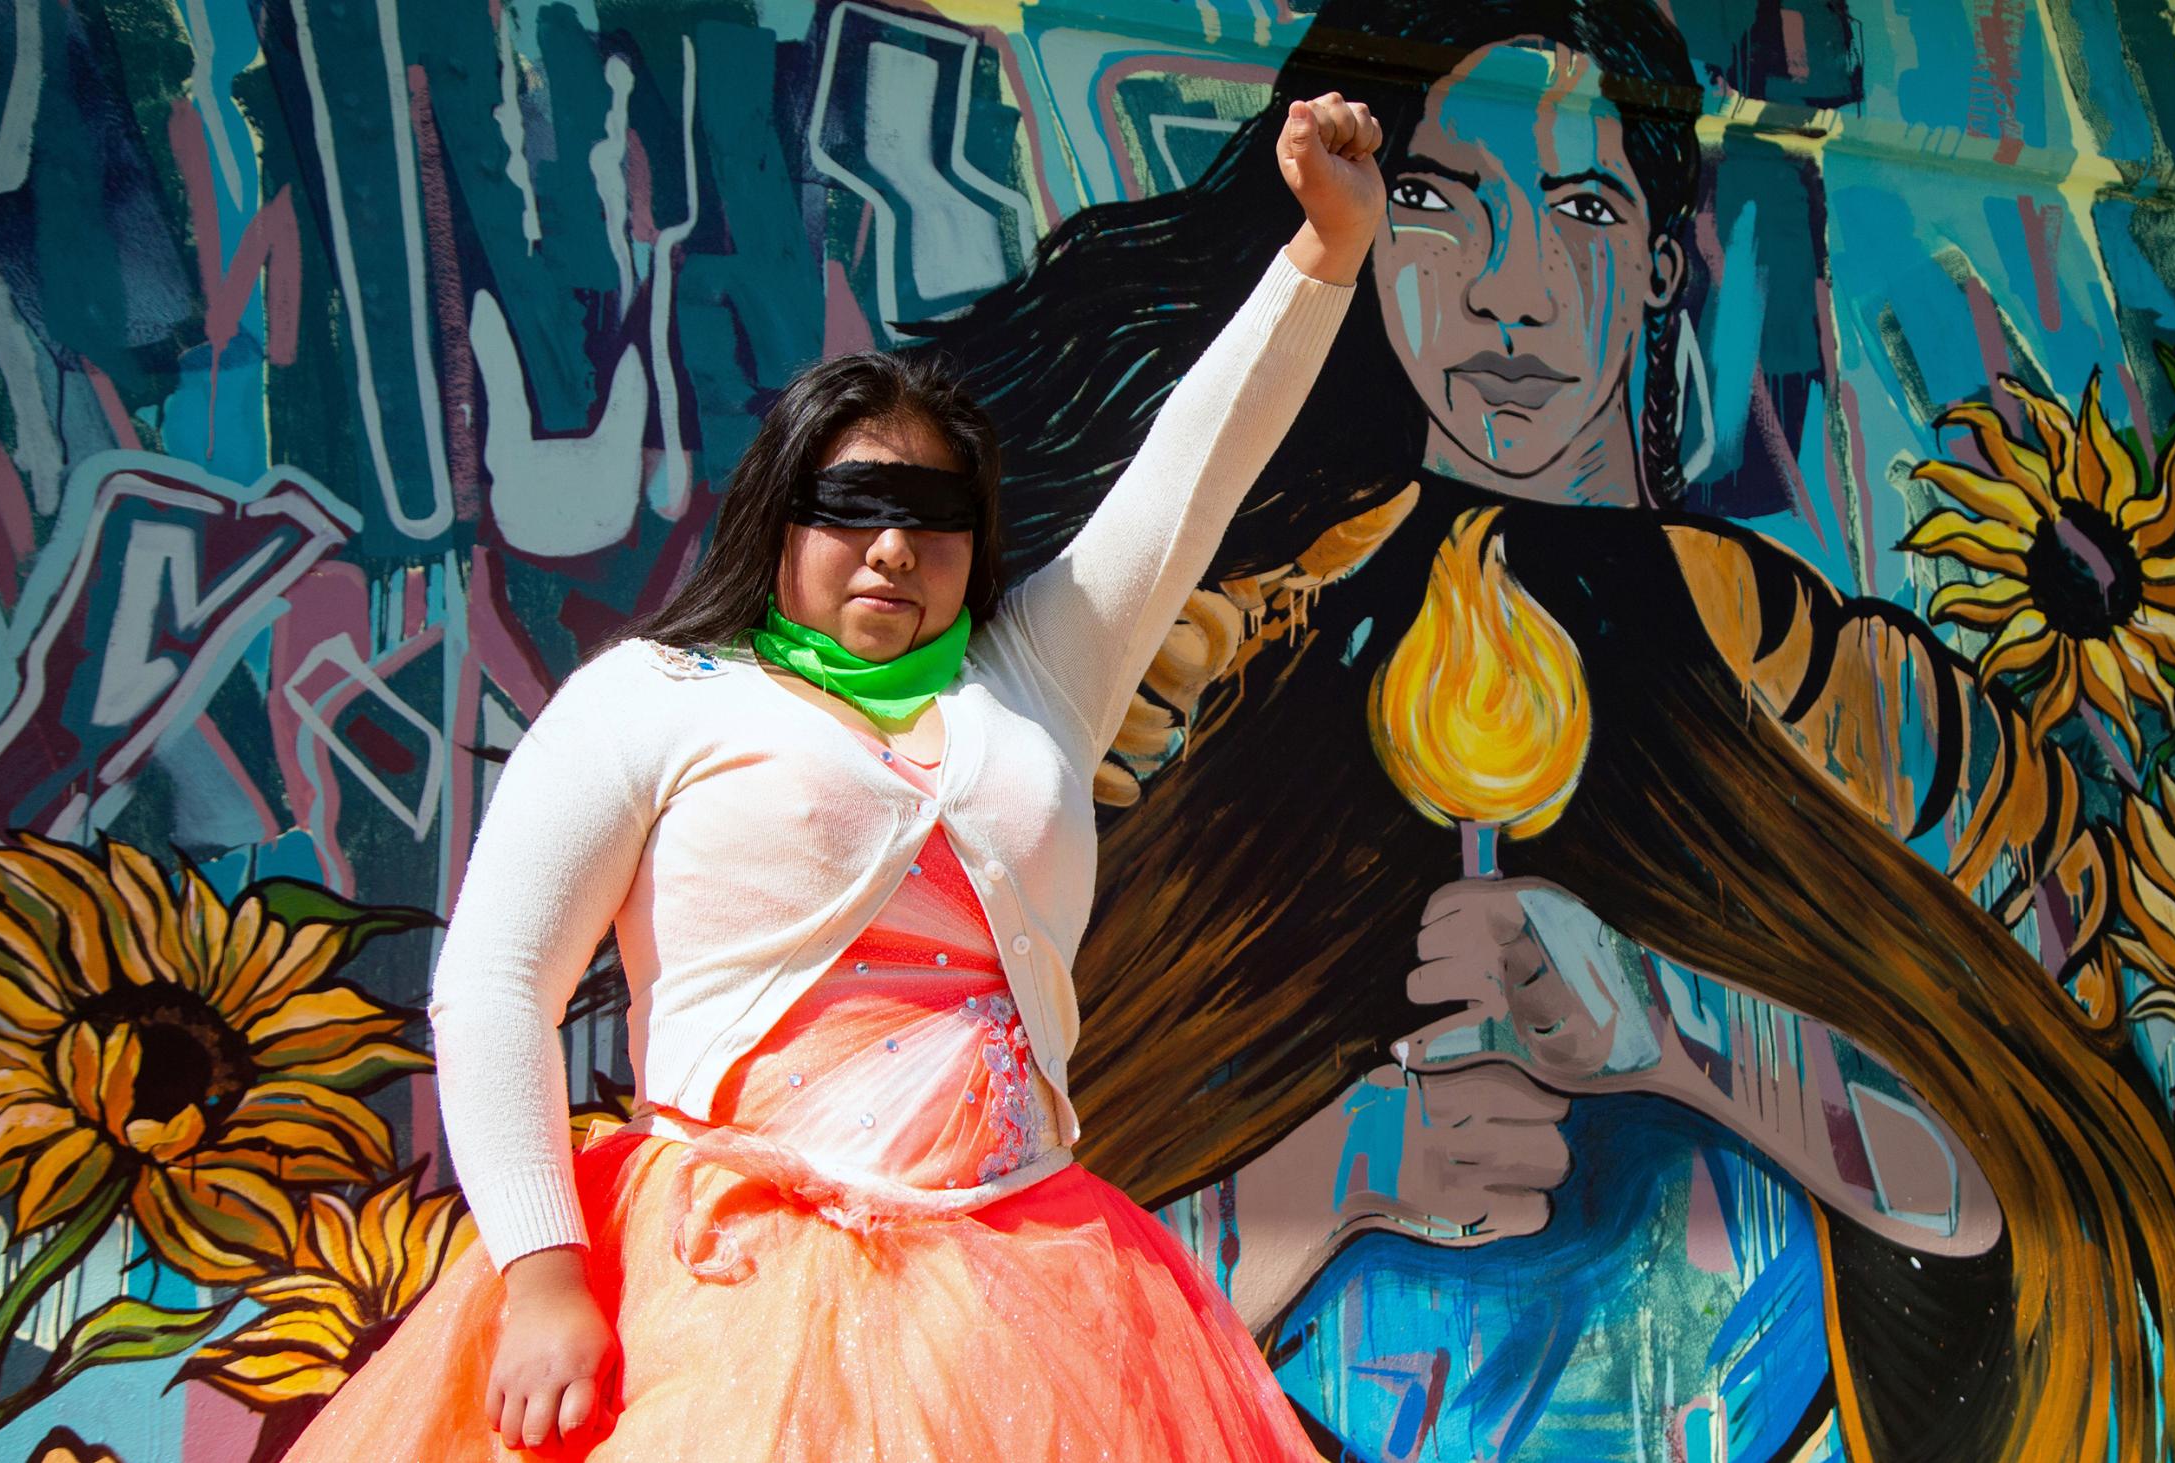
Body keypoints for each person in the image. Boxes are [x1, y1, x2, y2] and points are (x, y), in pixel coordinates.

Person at [914, 0, 2175, 1459]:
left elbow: (2037, 1194)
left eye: (1581, 207)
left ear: (1666, 256)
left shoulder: (1837, 706)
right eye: (1431, 203)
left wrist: (1679, 1030)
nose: (1509, 291)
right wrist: (1338, 1170)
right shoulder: (1206, 681)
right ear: (1357, 240)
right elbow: (1013, 1269)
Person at [279, 92, 1385, 1461]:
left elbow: (1195, 471)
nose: (889, 548)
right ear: (779, 519)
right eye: (850, 507)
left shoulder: (1033, 676)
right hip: (720, 1286)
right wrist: (544, 1276)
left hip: (1024, 1289)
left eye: (931, 519)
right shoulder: (652, 698)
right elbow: (497, 986)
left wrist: (1325, 255)